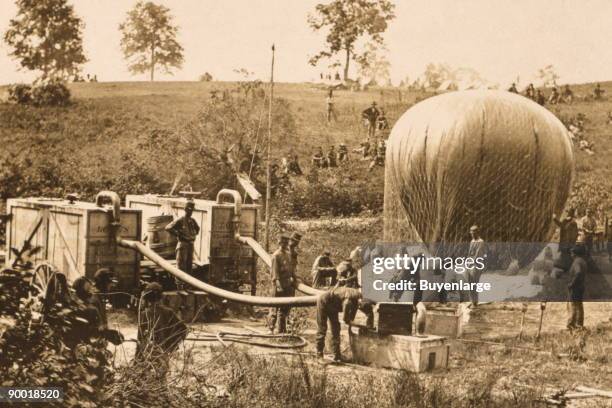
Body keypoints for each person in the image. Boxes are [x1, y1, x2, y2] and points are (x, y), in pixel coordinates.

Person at [137, 282, 187, 378]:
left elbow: (140, 338)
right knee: (161, 378)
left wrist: (137, 359)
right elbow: (183, 329)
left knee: (148, 380)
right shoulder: (168, 312)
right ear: (160, 297)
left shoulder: (144, 314)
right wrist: (171, 346)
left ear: (147, 298)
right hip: (163, 352)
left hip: (147, 353)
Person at [315, 286, 373, 362]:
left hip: (333, 306)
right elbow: (346, 319)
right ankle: (319, 355)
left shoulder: (357, 300)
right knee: (322, 329)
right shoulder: (350, 300)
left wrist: (367, 326)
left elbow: (351, 319)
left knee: (336, 329)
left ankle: (337, 355)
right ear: (361, 303)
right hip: (324, 301)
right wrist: (350, 321)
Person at [166, 200, 200, 291]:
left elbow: (197, 229)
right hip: (183, 245)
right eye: (189, 209)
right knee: (181, 265)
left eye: (192, 210)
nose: (190, 211)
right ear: (185, 209)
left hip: (190, 245)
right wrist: (178, 234)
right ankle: (179, 286)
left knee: (189, 266)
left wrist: (192, 235)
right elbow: (168, 227)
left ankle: (187, 286)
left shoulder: (192, 220)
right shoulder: (180, 220)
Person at [268, 234, 296, 333]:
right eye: (282, 243)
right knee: (274, 308)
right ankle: (271, 328)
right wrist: (279, 286)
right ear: (279, 243)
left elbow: (291, 269)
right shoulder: (276, 256)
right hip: (278, 286)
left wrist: (294, 279)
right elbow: (274, 273)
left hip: (287, 285)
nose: (284, 244)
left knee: (284, 309)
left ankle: (281, 329)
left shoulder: (288, 254)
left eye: (286, 243)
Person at [566, 246, 587, 330]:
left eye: (572, 252)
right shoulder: (582, 261)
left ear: (575, 253)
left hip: (576, 287)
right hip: (580, 286)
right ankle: (579, 324)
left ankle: (572, 324)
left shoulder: (577, 262)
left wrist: (572, 283)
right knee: (579, 305)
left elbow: (578, 273)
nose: (571, 254)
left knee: (573, 305)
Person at [465, 225, 486, 307]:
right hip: (470, 264)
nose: (472, 234)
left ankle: (475, 302)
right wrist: (467, 262)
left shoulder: (481, 242)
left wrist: (471, 262)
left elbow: (478, 255)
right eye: (471, 233)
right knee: (470, 283)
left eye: (474, 233)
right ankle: (472, 301)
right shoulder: (472, 241)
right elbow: (469, 253)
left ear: (477, 233)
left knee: (474, 283)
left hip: (476, 265)